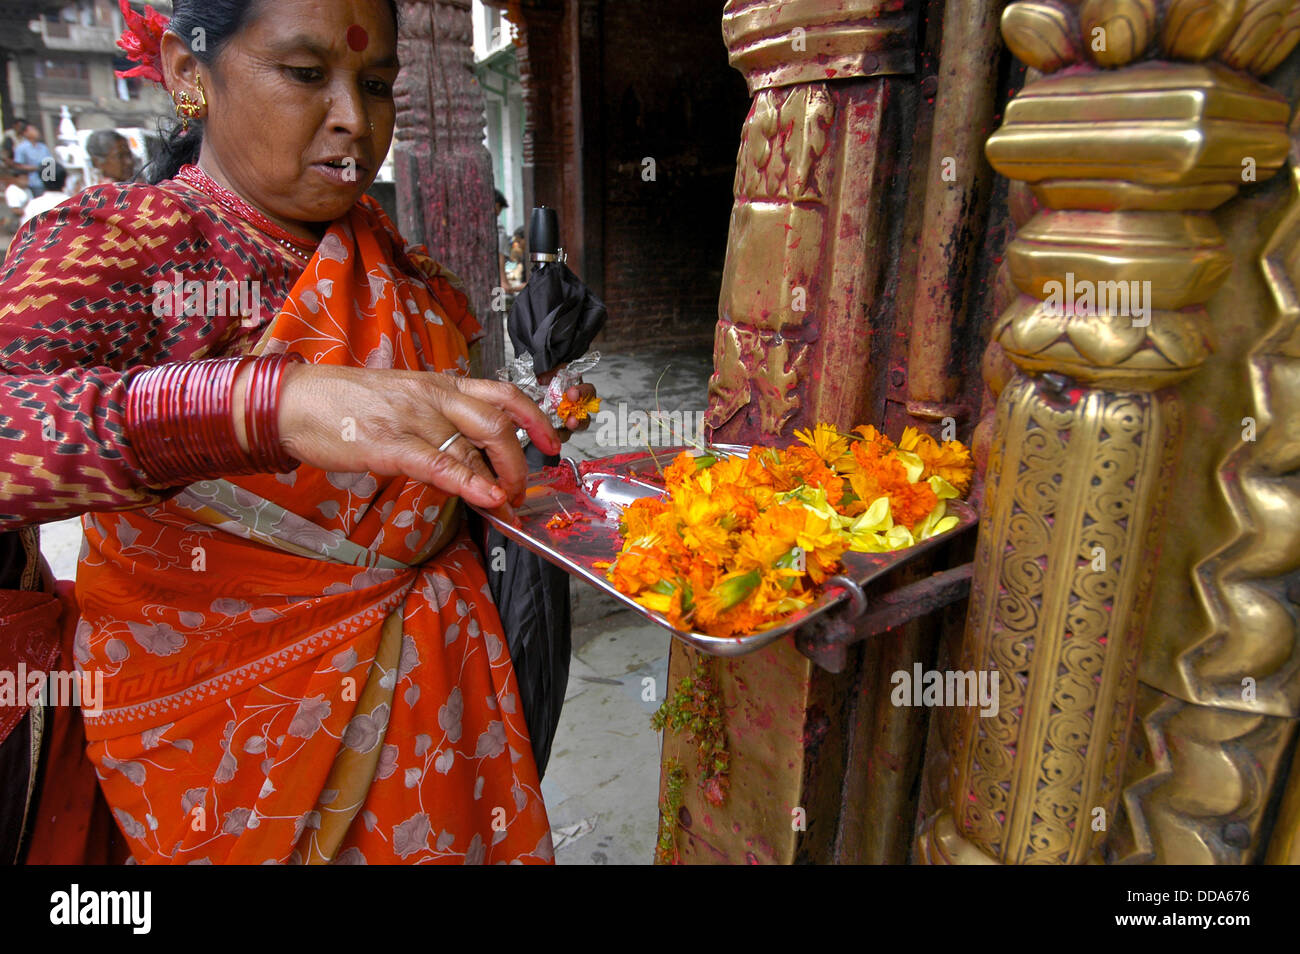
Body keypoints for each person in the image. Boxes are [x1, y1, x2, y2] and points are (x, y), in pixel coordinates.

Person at [0, 0, 597, 865]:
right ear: (186, 72)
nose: (356, 120)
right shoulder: (132, 253)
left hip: (442, 710)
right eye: (307, 75)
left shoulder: (403, 266)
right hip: (233, 753)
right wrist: (274, 407)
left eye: (379, 84)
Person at [11, 123, 52, 198]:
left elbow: (50, 162)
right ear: (25, 133)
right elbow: (18, 166)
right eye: (33, 130)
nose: (36, 132)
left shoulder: (43, 147)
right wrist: (37, 168)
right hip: (33, 182)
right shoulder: (21, 148)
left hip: (47, 181)